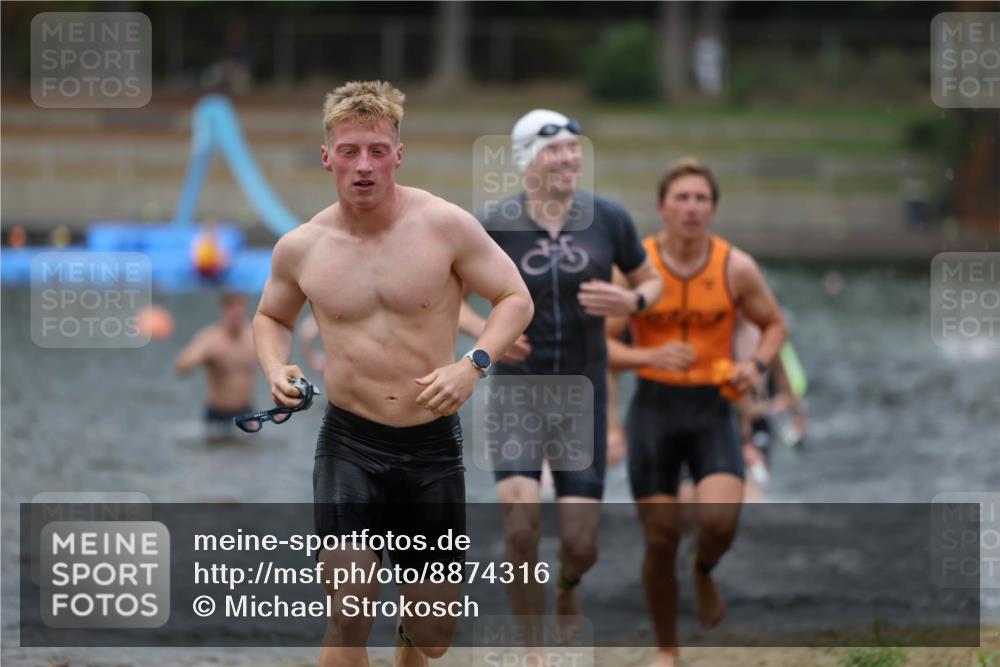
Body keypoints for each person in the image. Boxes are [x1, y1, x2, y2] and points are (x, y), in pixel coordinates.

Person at [251, 80, 533, 667]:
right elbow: (271, 316)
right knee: (349, 610)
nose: (363, 166)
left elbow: (513, 297)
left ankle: (409, 642)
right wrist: (277, 367)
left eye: (377, 150)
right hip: (350, 442)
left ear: (398, 155)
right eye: (350, 151)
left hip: (431, 447)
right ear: (328, 156)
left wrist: (472, 364)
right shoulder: (301, 247)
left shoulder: (444, 226)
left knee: (432, 636)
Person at [459, 109, 662, 648]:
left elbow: (651, 282)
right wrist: (489, 334)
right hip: (516, 394)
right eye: (556, 150)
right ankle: (532, 650)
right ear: (527, 160)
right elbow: (448, 300)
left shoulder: (609, 219)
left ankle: (569, 586)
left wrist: (632, 299)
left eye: (575, 148)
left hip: (583, 398)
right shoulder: (492, 224)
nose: (570, 158)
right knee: (521, 527)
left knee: (580, 544)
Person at [606, 158, 786, 667]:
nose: (691, 208)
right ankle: (667, 649)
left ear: (712, 209)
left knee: (720, 522)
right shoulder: (636, 266)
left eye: (701, 199)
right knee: (660, 539)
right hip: (655, 411)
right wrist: (647, 356)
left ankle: (704, 571)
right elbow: (601, 349)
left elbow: (773, 325)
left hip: (713, 409)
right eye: (681, 198)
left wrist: (757, 364)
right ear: (663, 207)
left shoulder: (735, 266)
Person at [174, 293, 257, 437]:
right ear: (223, 310)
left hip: (246, 412)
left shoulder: (253, 336)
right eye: (232, 307)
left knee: (250, 456)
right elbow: (181, 367)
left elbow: (275, 365)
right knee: (216, 456)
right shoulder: (210, 338)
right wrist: (203, 354)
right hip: (218, 416)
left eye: (240, 307)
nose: (237, 312)